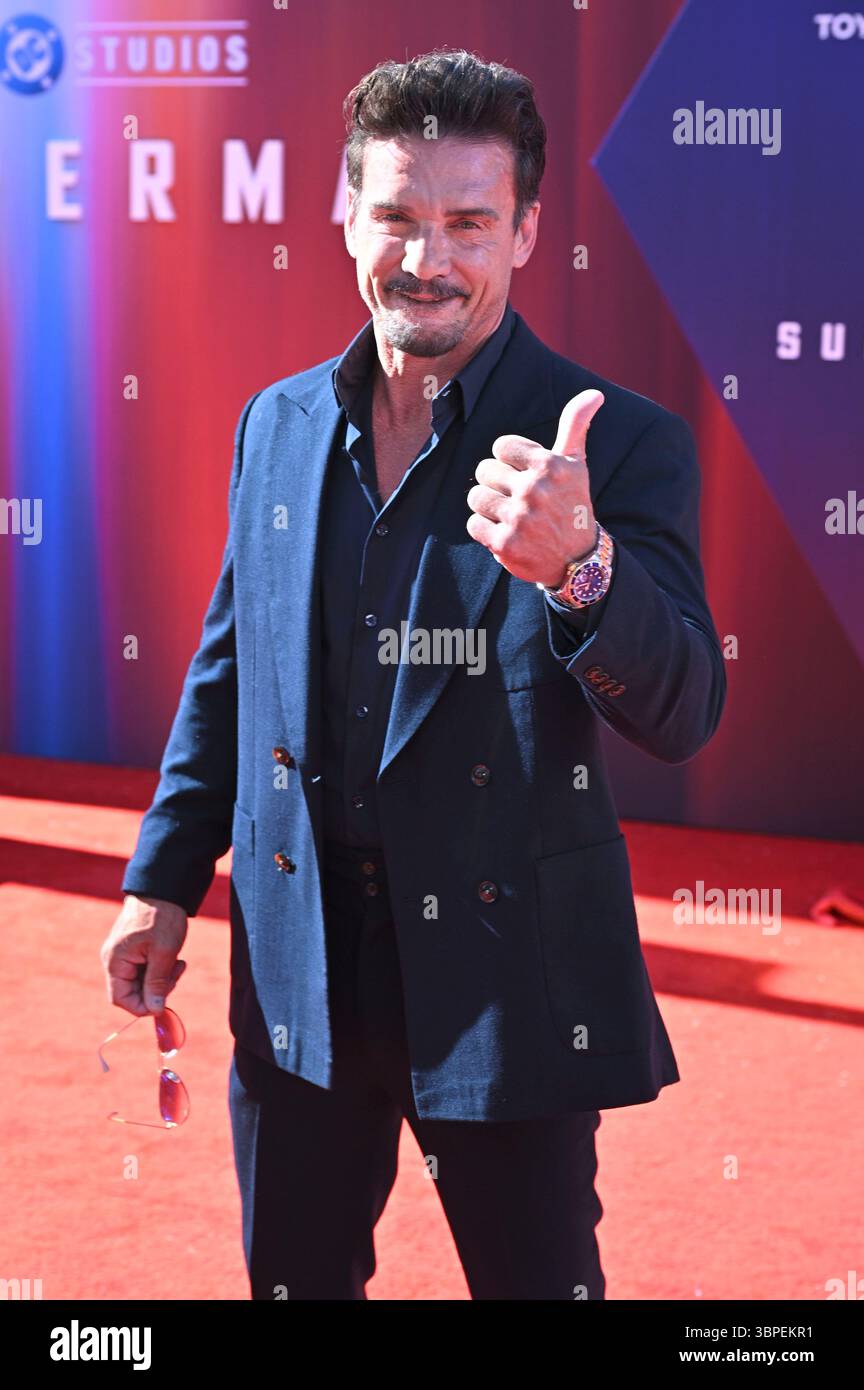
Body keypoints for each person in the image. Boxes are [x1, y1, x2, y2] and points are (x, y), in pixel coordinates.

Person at [102, 48, 726, 1300]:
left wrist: (582, 568)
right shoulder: (275, 424)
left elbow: (686, 707)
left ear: (528, 230)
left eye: (468, 222)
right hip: (297, 966)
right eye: (395, 215)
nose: (426, 258)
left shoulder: (609, 442)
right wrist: (163, 880)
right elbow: (233, 665)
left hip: (506, 977)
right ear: (344, 212)